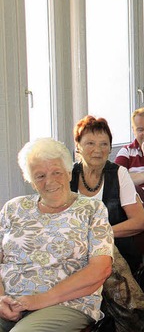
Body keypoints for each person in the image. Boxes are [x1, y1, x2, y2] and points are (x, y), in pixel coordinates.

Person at [0, 138, 113, 331]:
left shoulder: (92, 208)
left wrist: (39, 300)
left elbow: (100, 269)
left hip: (65, 303)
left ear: (69, 172)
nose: (50, 181)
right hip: (9, 301)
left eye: (56, 172)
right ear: (31, 181)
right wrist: (0, 299)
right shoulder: (13, 208)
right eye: (40, 176)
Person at [70, 115, 144, 272]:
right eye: (90, 143)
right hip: (73, 252)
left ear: (110, 148)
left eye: (104, 144)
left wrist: (97, 234)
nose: (98, 150)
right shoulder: (66, 175)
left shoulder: (119, 173)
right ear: (78, 146)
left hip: (114, 252)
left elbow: (140, 221)